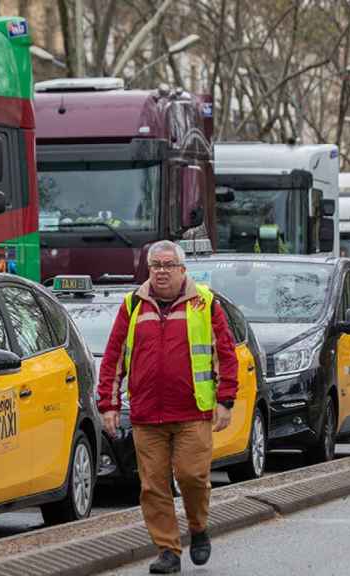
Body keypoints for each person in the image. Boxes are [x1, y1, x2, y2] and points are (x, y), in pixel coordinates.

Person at [97, 240, 239, 574]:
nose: (161, 272)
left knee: (192, 477)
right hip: (148, 415)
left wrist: (225, 400)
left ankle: (198, 527)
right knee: (153, 486)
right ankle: (168, 551)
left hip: (193, 411)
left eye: (168, 265)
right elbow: (114, 358)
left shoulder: (205, 303)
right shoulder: (133, 305)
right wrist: (109, 404)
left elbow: (226, 354)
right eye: (156, 266)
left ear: (182, 270)